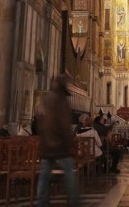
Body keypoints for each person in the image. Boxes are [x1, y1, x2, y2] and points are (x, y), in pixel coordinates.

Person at [37, 76, 80, 207]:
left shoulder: (45, 99)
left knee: (44, 175)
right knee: (69, 174)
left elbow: (40, 120)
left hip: (46, 144)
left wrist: (43, 138)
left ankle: (42, 202)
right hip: (60, 145)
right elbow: (65, 124)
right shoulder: (62, 100)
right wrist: (69, 141)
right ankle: (75, 201)